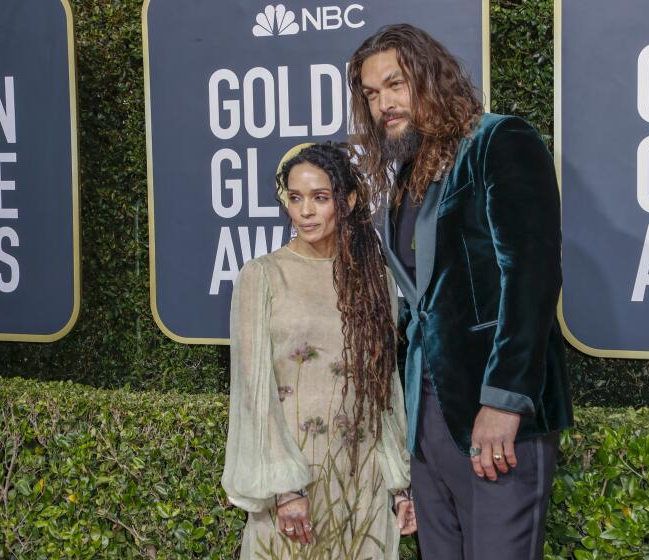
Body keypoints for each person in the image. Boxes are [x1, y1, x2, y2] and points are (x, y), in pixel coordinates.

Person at [348, 24, 574, 559]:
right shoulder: (406, 175)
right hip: (429, 423)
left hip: (494, 414)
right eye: (372, 94)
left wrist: (503, 400)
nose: (384, 104)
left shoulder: (499, 141)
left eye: (395, 84)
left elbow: (531, 278)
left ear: (430, 77)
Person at [221, 143, 416, 560]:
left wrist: (400, 486)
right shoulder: (263, 277)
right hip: (294, 486)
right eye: (295, 198)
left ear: (346, 202)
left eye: (320, 198)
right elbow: (255, 393)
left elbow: (385, 390)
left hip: (363, 481)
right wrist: (285, 489)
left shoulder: (376, 279)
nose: (305, 211)